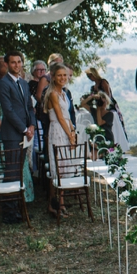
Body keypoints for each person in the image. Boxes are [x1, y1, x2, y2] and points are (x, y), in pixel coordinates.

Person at [0, 52, 36, 222]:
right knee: (11, 173)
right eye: (13, 63)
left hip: (26, 132)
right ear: (7, 64)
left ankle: (19, 208)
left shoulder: (24, 84)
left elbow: (29, 107)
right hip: (12, 135)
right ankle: (9, 212)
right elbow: (8, 111)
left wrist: (32, 125)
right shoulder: (3, 84)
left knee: (19, 172)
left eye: (19, 62)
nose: (17, 65)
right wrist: (24, 128)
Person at [43, 63, 78, 217]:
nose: (63, 78)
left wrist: (73, 132)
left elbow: (68, 116)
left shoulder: (64, 93)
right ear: (53, 77)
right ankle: (52, 203)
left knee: (64, 167)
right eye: (59, 75)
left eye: (65, 75)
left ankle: (62, 203)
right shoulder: (52, 94)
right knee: (56, 167)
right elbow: (59, 117)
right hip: (57, 131)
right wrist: (69, 135)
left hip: (66, 129)